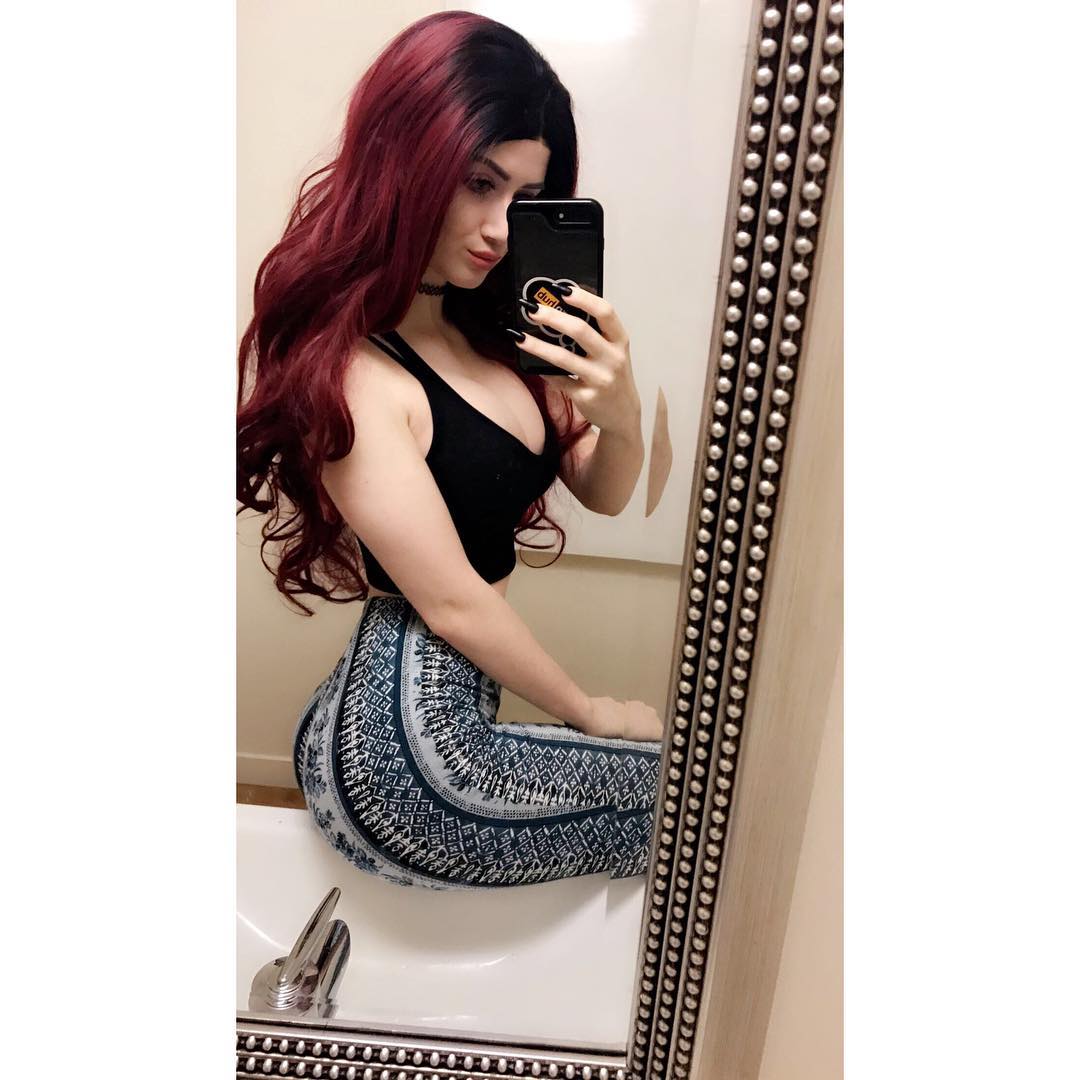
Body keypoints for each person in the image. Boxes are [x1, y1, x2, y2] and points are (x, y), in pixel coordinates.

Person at [237, 12, 664, 890]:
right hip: (407, 763)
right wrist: (590, 711)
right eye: (478, 182)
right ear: (406, 158)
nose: (500, 229)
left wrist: (621, 416)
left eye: (524, 197)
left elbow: (604, 491)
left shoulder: (502, 335)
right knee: (698, 802)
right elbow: (454, 604)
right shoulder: (355, 373)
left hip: (422, 730)